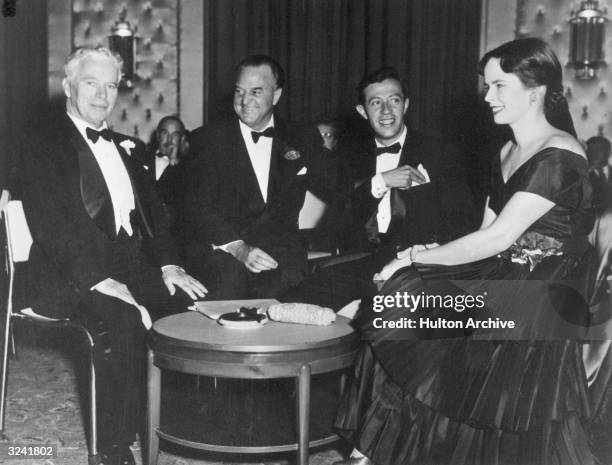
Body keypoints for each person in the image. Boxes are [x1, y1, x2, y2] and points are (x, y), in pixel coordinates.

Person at [333, 38, 600, 465]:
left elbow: (496, 240)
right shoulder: (507, 150)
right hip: (505, 278)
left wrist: (413, 258)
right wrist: (429, 249)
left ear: (533, 91)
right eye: (486, 85)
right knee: (397, 300)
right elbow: (486, 231)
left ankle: (374, 451)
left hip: (542, 294)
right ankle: (373, 449)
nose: (487, 96)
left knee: (410, 302)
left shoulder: (560, 155)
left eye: (498, 86)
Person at [18, 47, 207, 465]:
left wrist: (169, 265)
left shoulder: (131, 148)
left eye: (110, 85)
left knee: (185, 309)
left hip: (129, 262)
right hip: (66, 268)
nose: (103, 94)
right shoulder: (41, 145)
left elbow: (155, 218)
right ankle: (112, 448)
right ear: (68, 86)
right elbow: (53, 223)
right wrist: (97, 277)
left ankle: (166, 426)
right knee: (121, 320)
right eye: (91, 83)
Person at [282, 67, 478, 311]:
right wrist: (381, 182)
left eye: (393, 100)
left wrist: (425, 255)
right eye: (376, 103)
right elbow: (337, 224)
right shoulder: (349, 157)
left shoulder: (438, 152)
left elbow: (463, 221)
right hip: (363, 262)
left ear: (405, 105)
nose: (386, 111)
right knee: (292, 303)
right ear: (362, 111)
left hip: (417, 264)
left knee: (379, 316)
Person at [184, 54, 332, 299]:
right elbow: (198, 207)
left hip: (283, 258)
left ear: (276, 95)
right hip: (225, 253)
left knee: (292, 308)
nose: (245, 101)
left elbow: (339, 187)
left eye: (255, 92)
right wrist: (238, 248)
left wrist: (381, 182)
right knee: (231, 288)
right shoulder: (207, 139)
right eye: (239, 91)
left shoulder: (302, 137)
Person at [139, 115, 190, 232]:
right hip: (143, 232)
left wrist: (174, 164)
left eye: (175, 135)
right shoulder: (141, 160)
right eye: (165, 133)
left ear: (182, 139)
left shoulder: (189, 168)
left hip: (175, 234)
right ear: (157, 136)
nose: (169, 140)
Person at [586, 135, 612, 214]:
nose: (595, 153)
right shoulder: (582, 175)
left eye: (599, 149)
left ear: (609, 152)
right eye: (591, 150)